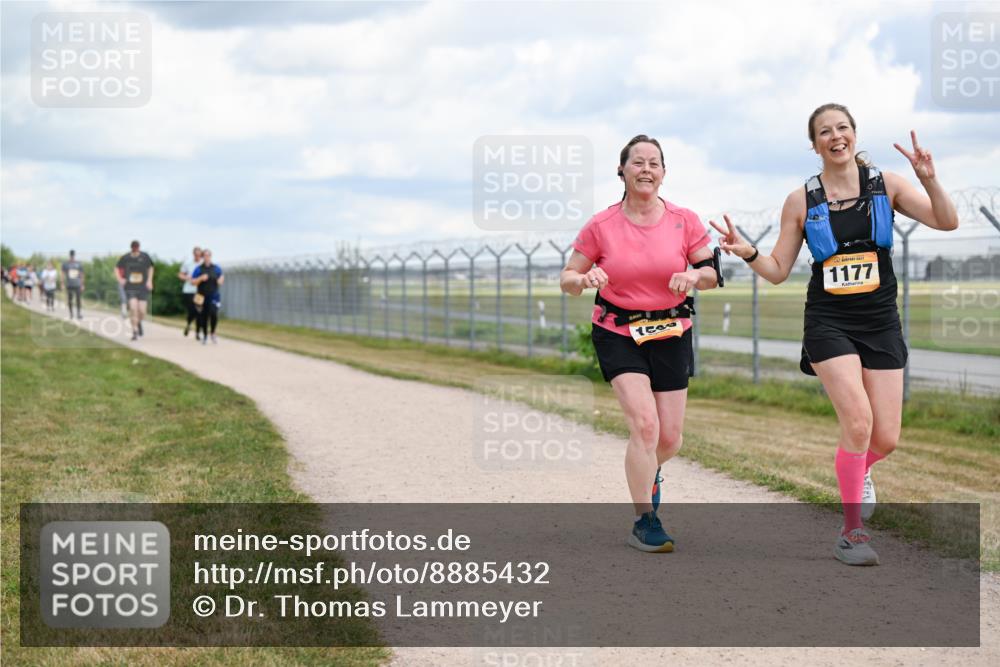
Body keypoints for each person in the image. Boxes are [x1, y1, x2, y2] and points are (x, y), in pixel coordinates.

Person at [712, 103, 959, 566]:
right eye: (825, 132)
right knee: (859, 423)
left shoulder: (886, 185)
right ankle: (852, 533)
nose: (835, 136)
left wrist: (927, 177)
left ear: (854, 134)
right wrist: (748, 252)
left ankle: (856, 468)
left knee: (885, 438)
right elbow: (778, 270)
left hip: (881, 320)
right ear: (814, 144)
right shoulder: (801, 200)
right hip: (829, 322)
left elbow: (947, 221)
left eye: (842, 128)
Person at [560, 134, 721, 553]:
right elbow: (568, 279)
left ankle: (646, 469)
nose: (646, 169)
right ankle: (645, 520)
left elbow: (712, 273)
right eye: (637, 163)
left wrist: (693, 276)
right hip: (618, 331)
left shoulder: (684, 220)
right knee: (645, 427)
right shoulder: (602, 225)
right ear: (622, 171)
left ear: (664, 174)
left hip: (671, 331)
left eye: (654, 163)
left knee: (669, 439)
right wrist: (584, 278)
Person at [115, 240, 155, 341]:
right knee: (133, 308)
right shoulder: (126, 257)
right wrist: (120, 279)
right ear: (131, 247)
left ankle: (138, 322)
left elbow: (151, 268)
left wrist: (150, 281)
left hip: (142, 288)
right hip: (130, 287)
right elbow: (116, 268)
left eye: (137, 246)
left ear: (139, 247)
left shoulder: (145, 256)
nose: (135, 248)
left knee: (142, 311)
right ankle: (135, 331)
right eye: (134, 247)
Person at [191, 249, 224, 345]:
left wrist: (220, 280)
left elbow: (221, 277)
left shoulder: (216, 268)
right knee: (204, 316)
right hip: (201, 295)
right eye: (205, 255)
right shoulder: (199, 269)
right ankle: (205, 335)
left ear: (211, 256)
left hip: (214, 295)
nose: (207, 257)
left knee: (214, 314)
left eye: (208, 255)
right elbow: (193, 282)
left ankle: (213, 332)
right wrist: (200, 278)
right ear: (202, 257)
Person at [178, 246, 203, 338]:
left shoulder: (203, 264)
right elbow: (180, 274)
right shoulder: (187, 264)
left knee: (199, 311)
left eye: (199, 255)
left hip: (199, 291)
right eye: (196, 255)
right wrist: (186, 277)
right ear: (193, 254)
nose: (197, 256)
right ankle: (188, 324)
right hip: (188, 291)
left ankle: (197, 332)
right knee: (192, 310)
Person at [61, 250, 85, 319]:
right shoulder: (65, 264)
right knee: (70, 299)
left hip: (77, 284)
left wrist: (82, 284)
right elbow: (62, 274)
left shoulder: (79, 264)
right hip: (69, 284)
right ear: (69, 256)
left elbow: (82, 274)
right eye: (71, 256)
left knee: (78, 299)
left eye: (73, 256)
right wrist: (62, 283)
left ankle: (78, 314)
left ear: (74, 256)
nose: (72, 257)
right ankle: (71, 314)